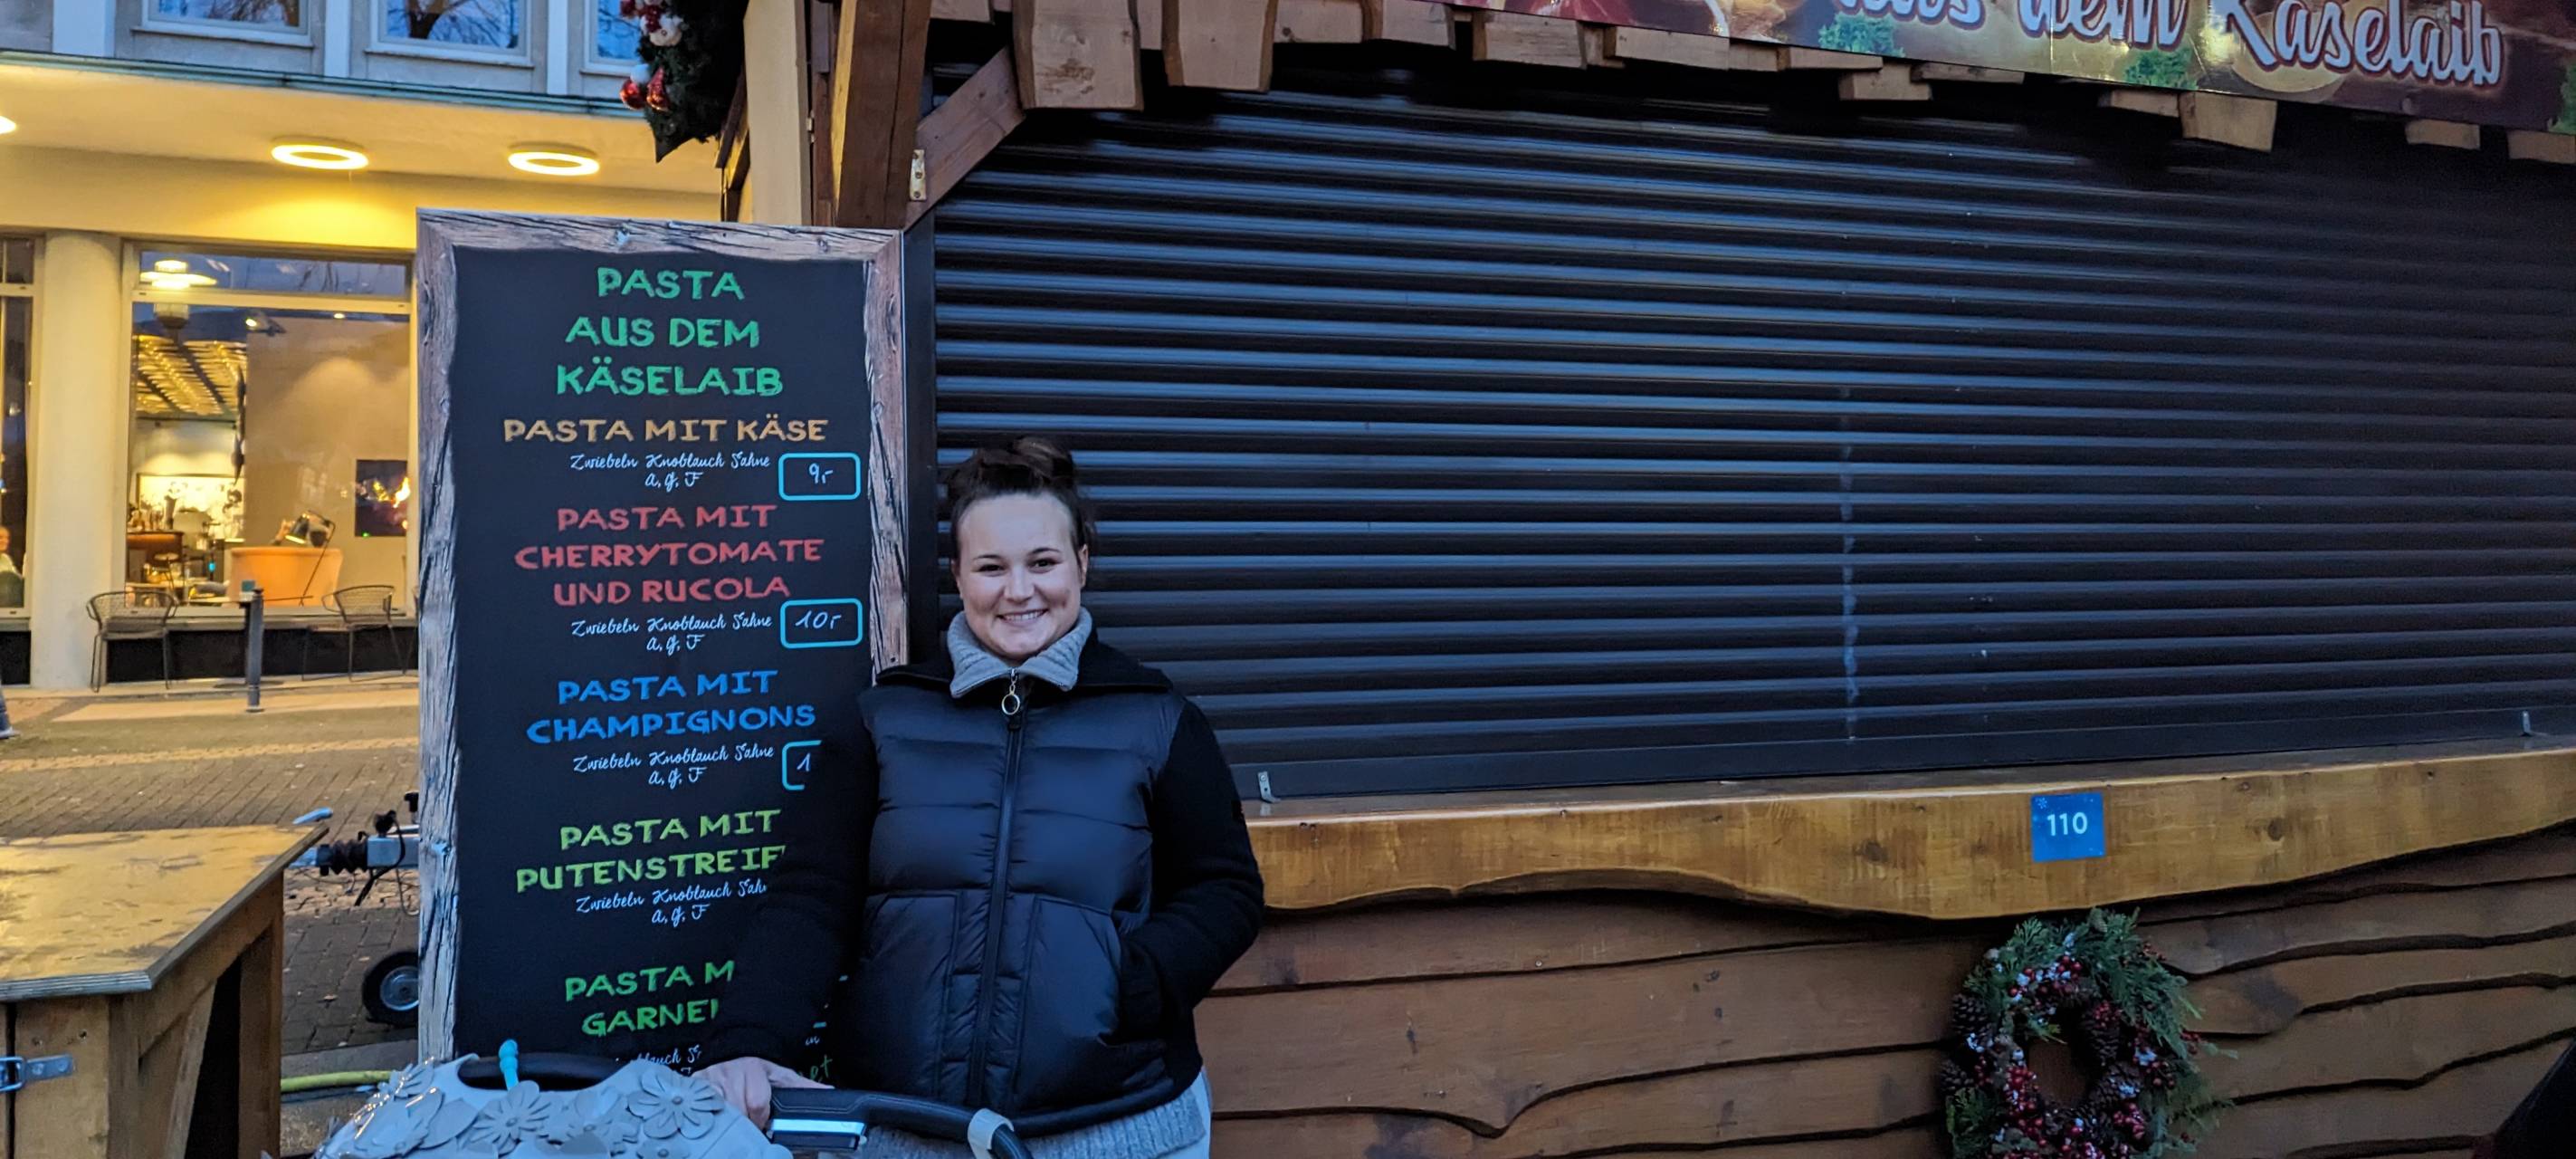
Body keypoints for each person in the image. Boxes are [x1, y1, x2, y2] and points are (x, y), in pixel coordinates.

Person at [696, 437, 1264, 1158]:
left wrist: (1135, 982)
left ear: (1082, 564)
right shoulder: (883, 721)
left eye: (1043, 563)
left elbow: (1227, 889)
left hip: (1118, 1124)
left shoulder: (1158, 721)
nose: (1019, 591)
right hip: (907, 1128)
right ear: (959, 575)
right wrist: (749, 1040)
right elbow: (811, 899)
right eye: (992, 567)